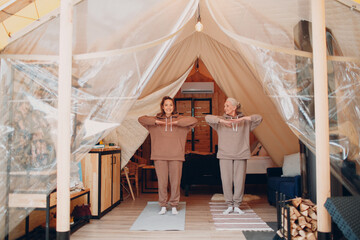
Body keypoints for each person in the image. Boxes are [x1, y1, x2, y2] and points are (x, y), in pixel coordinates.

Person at [138, 96, 198, 215]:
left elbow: (194, 120)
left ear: (173, 107)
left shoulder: (181, 120)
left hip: (176, 156)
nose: (168, 107)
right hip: (159, 156)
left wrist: (176, 122)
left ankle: (174, 204)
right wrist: (157, 122)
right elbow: (141, 119)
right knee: (162, 182)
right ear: (162, 107)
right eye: (166, 105)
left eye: (170, 105)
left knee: (175, 182)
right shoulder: (154, 121)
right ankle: (163, 205)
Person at [205, 97, 262, 215]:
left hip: (241, 154)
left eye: (227, 106)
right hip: (224, 154)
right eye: (225, 106)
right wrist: (223, 121)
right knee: (226, 181)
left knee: (239, 181)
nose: (225, 108)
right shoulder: (220, 122)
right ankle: (229, 205)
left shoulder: (245, 122)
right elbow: (207, 118)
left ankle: (237, 205)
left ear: (234, 107)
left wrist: (243, 118)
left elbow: (259, 118)